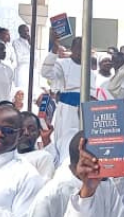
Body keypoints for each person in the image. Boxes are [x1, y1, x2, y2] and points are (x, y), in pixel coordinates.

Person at [41, 37, 100, 166]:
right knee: (64, 142)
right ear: (72, 48)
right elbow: (46, 73)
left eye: (84, 49)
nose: (81, 51)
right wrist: (54, 52)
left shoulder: (91, 70)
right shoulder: (62, 64)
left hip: (86, 112)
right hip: (68, 110)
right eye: (78, 48)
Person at [17, 111, 56, 180]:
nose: (26, 133)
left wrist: (46, 139)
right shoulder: (6, 157)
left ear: (38, 133)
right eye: (21, 129)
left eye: (31, 129)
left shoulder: (43, 157)